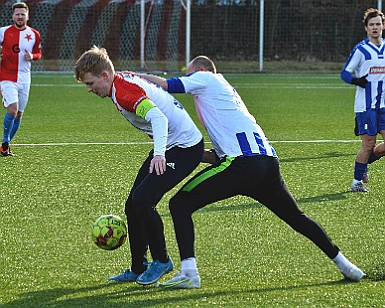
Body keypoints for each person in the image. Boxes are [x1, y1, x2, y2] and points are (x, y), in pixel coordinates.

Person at [139, 55, 366, 289]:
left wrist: (130, 77)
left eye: (191, 74)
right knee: (296, 218)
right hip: (267, 163)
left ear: (203, 70)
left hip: (242, 165)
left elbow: (167, 85)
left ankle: (189, 273)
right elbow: (217, 156)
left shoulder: (207, 78)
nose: (190, 79)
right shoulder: (221, 98)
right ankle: (345, 265)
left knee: (180, 204)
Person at [74, 46, 204, 285]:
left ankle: (162, 260)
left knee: (143, 200)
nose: (89, 90)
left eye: (90, 83)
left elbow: (158, 118)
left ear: (105, 76)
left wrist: (159, 155)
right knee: (132, 204)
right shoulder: (116, 83)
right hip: (175, 144)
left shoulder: (123, 92)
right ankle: (138, 267)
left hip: (183, 148)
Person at [341, 8, 385, 192]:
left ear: (383, 26)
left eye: (378, 24)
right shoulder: (360, 50)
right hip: (365, 107)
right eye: (371, 25)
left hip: (383, 105)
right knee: (368, 144)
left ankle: (365, 163)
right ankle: (356, 182)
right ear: (366, 28)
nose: (375, 27)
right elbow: (344, 73)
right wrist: (356, 80)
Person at [0, 2, 42, 156]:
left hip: (25, 78)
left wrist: (32, 56)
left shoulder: (34, 34)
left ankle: (5, 146)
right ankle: (5, 141)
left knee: (19, 114)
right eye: (17, 14)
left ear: (27, 16)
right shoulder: (3, 32)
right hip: (6, 77)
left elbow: (39, 53)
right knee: (13, 108)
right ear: (12, 16)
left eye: (22, 14)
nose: (19, 16)